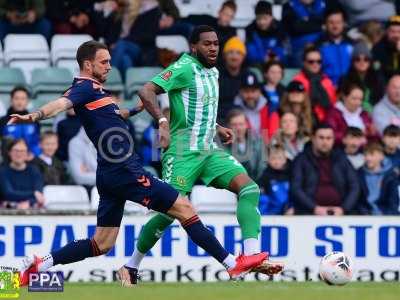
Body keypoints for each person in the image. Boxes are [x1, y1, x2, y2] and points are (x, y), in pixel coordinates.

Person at [10, 40, 270, 286]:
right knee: (184, 208)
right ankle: (230, 264)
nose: (109, 66)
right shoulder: (83, 88)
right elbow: (61, 103)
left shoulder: (96, 94)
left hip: (109, 174)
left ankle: (38, 264)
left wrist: (135, 110)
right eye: (104, 62)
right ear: (87, 65)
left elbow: (115, 114)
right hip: (125, 170)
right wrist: (34, 115)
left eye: (110, 61)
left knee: (101, 244)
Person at [120, 26, 283, 284]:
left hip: (208, 150)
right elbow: (146, 90)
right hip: (182, 153)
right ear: (193, 46)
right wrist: (162, 122)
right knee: (168, 213)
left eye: (216, 44)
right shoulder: (184, 67)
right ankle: (131, 265)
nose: (213, 48)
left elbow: (198, 105)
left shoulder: (213, 72)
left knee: (249, 188)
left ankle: (251, 255)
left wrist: (217, 127)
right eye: (207, 44)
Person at [291, 123, 360, 215]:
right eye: (321, 138)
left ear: (333, 140)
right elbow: (296, 188)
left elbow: (355, 185)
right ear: (313, 139)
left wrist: (344, 209)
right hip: (309, 213)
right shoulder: (301, 159)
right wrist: (314, 208)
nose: (325, 142)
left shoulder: (341, 158)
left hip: (340, 214)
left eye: (328, 138)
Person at [293, 46, 337, 123]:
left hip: (327, 122)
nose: (315, 64)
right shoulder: (297, 81)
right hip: (306, 121)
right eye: (311, 61)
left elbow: (332, 105)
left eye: (319, 61)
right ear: (304, 62)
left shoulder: (327, 81)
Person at [234, 71, 280, 143]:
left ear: (259, 92)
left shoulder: (270, 110)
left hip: (266, 149)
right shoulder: (234, 110)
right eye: (246, 91)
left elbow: (274, 137)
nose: (250, 95)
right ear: (240, 92)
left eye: (253, 91)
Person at [341, 41, 385, 113]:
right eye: (357, 59)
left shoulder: (378, 78)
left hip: (377, 113)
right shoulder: (345, 79)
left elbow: (382, 98)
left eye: (366, 59)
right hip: (353, 114)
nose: (362, 62)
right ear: (353, 62)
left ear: (370, 61)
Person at [0, 139, 45, 209]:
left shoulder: (34, 171)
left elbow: (39, 194)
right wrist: (33, 194)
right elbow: (8, 193)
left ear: (27, 153)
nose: (19, 154)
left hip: (31, 209)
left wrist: (29, 202)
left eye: (22, 151)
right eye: (16, 150)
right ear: (9, 152)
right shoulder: (2, 171)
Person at [358, 141, 400, 215]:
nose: (368, 158)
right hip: (365, 215)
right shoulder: (359, 174)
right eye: (365, 155)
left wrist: (384, 214)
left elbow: (393, 202)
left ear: (381, 156)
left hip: (386, 215)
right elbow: (358, 201)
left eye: (371, 154)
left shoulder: (391, 175)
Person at [224, 109, 266, 181]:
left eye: (241, 124)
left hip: (256, 186)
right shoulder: (223, 147)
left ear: (246, 125)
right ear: (228, 126)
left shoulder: (258, 143)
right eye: (234, 125)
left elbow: (262, 167)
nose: (238, 128)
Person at [282, 0, 326, 67]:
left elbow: (330, 25)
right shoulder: (288, 6)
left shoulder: (324, 4)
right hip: (298, 48)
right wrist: (319, 26)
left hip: (321, 45)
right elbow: (295, 28)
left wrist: (306, 22)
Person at [0, 86, 41, 158]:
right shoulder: (3, 121)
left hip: (30, 161)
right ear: (11, 100)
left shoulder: (34, 121)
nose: (19, 102)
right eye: (16, 98)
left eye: (23, 99)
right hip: (7, 162)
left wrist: (33, 155)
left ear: (27, 101)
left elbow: (36, 142)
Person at [317, 7, 354, 86]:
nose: (335, 26)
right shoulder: (318, 45)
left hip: (349, 88)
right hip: (327, 88)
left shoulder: (352, 44)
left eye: (338, 22)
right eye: (331, 22)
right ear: (325, 24)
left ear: (344, 23)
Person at [245, 1, 286, 66]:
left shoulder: (280, 28)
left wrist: (275, 58)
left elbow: (281, 50)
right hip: (256, 65)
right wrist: (263, 59)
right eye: (258, 18)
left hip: (275, 65)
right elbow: (251, 52)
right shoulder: (250, 29)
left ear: (271, 17)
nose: (262, 22)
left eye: (265, 18)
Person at [258, 144, 292, 215]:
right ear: (268, 160)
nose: (276, 161)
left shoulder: (290, 173)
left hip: (288, 212)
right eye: (273, 158)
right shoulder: (265, 175)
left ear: (285, 160)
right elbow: (262, 197)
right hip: (270, 212)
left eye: (279, 158)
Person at [218, 36, 247, 118]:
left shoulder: (248, 76)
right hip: (219, 121)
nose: (234, 57)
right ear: (224, 55)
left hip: (241, 121)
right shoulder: (215, 75)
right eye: (230, 52)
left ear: (243, 57)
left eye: (238, 53)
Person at [372, 15, 400, 81]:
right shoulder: (378, 48)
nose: (396, 35)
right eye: (392, 31)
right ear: (387, 32)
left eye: (399, 32)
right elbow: (377, 71)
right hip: (386, 85)